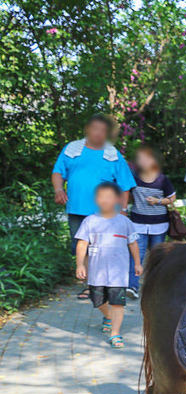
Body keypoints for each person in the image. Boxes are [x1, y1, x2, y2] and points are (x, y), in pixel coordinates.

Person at [52, 113, 135, 299]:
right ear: (87, 130)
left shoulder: (113, 154)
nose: (98, 133)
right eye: (95, 128)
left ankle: (109, 284)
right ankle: (91, 286)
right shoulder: (72, 149)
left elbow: (125, 185)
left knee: (105, 248)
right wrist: (58, 190)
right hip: (77, 210)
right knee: (82, 247)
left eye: (103, 130)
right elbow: (58, 172)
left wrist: (122, 210)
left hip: (106, 213)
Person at [74, 182, 142, 349]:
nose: (105, 200)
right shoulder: (90, 221)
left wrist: (138, 264)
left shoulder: (124, 221)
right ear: (96, 200)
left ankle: (115, 333)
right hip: (96, 272)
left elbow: (133, 244)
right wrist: (80, 265)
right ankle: (108, 316)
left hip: (118, 273)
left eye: (109, 196)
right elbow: (82, 244)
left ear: (117, 199)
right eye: (101, 196)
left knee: (118, 302)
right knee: (96, 299)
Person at [127, 145, 176, 298]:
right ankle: (132, 287)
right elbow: (126, 194)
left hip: (159, 225)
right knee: (136, 256)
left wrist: (158, 201)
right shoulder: (133, 178)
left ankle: (155, 288)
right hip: (138, 224)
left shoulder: (162, 179)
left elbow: (172, 198)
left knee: (158, 257)